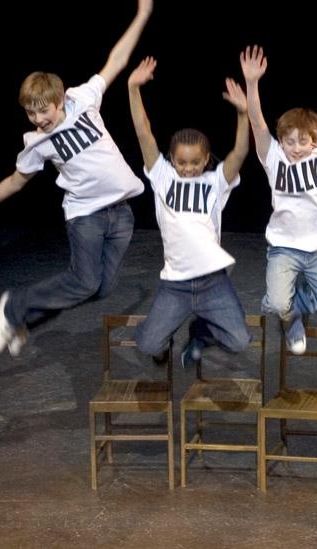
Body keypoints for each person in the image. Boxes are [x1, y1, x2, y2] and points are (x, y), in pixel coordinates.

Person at [0, 0, 153, 356]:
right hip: (85, 215)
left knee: (100, 289)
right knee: (84, 282)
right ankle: (12, 307)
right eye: (30, 113)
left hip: (122, 213)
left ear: (58, 100)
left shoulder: (83, 99)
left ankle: (25, 321)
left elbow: (116, 61)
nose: (38, 120)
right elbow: (15, 181)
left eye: (43, 111)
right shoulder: (37, 142)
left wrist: (142, 15)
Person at [126, 57, 251, 365]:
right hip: (175, 284)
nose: (188, 168)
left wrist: (243, 113)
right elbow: (144, 133)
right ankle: (164, 340)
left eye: (195, 162)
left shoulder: (216, 182)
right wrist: (132, 89)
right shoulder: (162, 176)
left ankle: (200, 331)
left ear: (206, 159)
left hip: (213, 282)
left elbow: (240, 152)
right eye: (181, 162)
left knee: (239, 340)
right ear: (171, 159)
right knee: (147, 344)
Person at [238, 21, 317, 355]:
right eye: (290, 141)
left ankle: (298, 300)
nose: (297, 147)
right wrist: (251, 83)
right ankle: (292, 318)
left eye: (303, 140)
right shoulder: (273, 156)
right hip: (284, 247)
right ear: (281, 140)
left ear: (314, 138)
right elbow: (257, 121)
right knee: (274, 304)